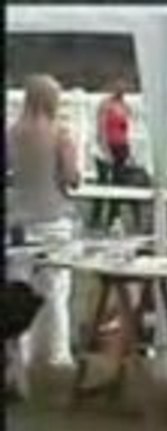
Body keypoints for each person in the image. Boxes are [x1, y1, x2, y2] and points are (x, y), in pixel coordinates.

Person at [5, 73, 81, 396]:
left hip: (19, 219)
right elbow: (72, 177)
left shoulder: (11, 133)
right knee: (56, 288)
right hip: (53, 217)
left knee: (17, 291)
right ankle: (56, 352)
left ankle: (18, 352)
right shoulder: (60, 134)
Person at [92, 78, 140, 231]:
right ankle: (96, 217)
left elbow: (128, 129)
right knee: (103, 182)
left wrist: (130, 151)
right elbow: (100, 127)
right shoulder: (105, 105)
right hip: (107, 147)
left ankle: (113, 217)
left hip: (121, 147)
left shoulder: (125, 106)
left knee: (119, 182)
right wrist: (105, 149)